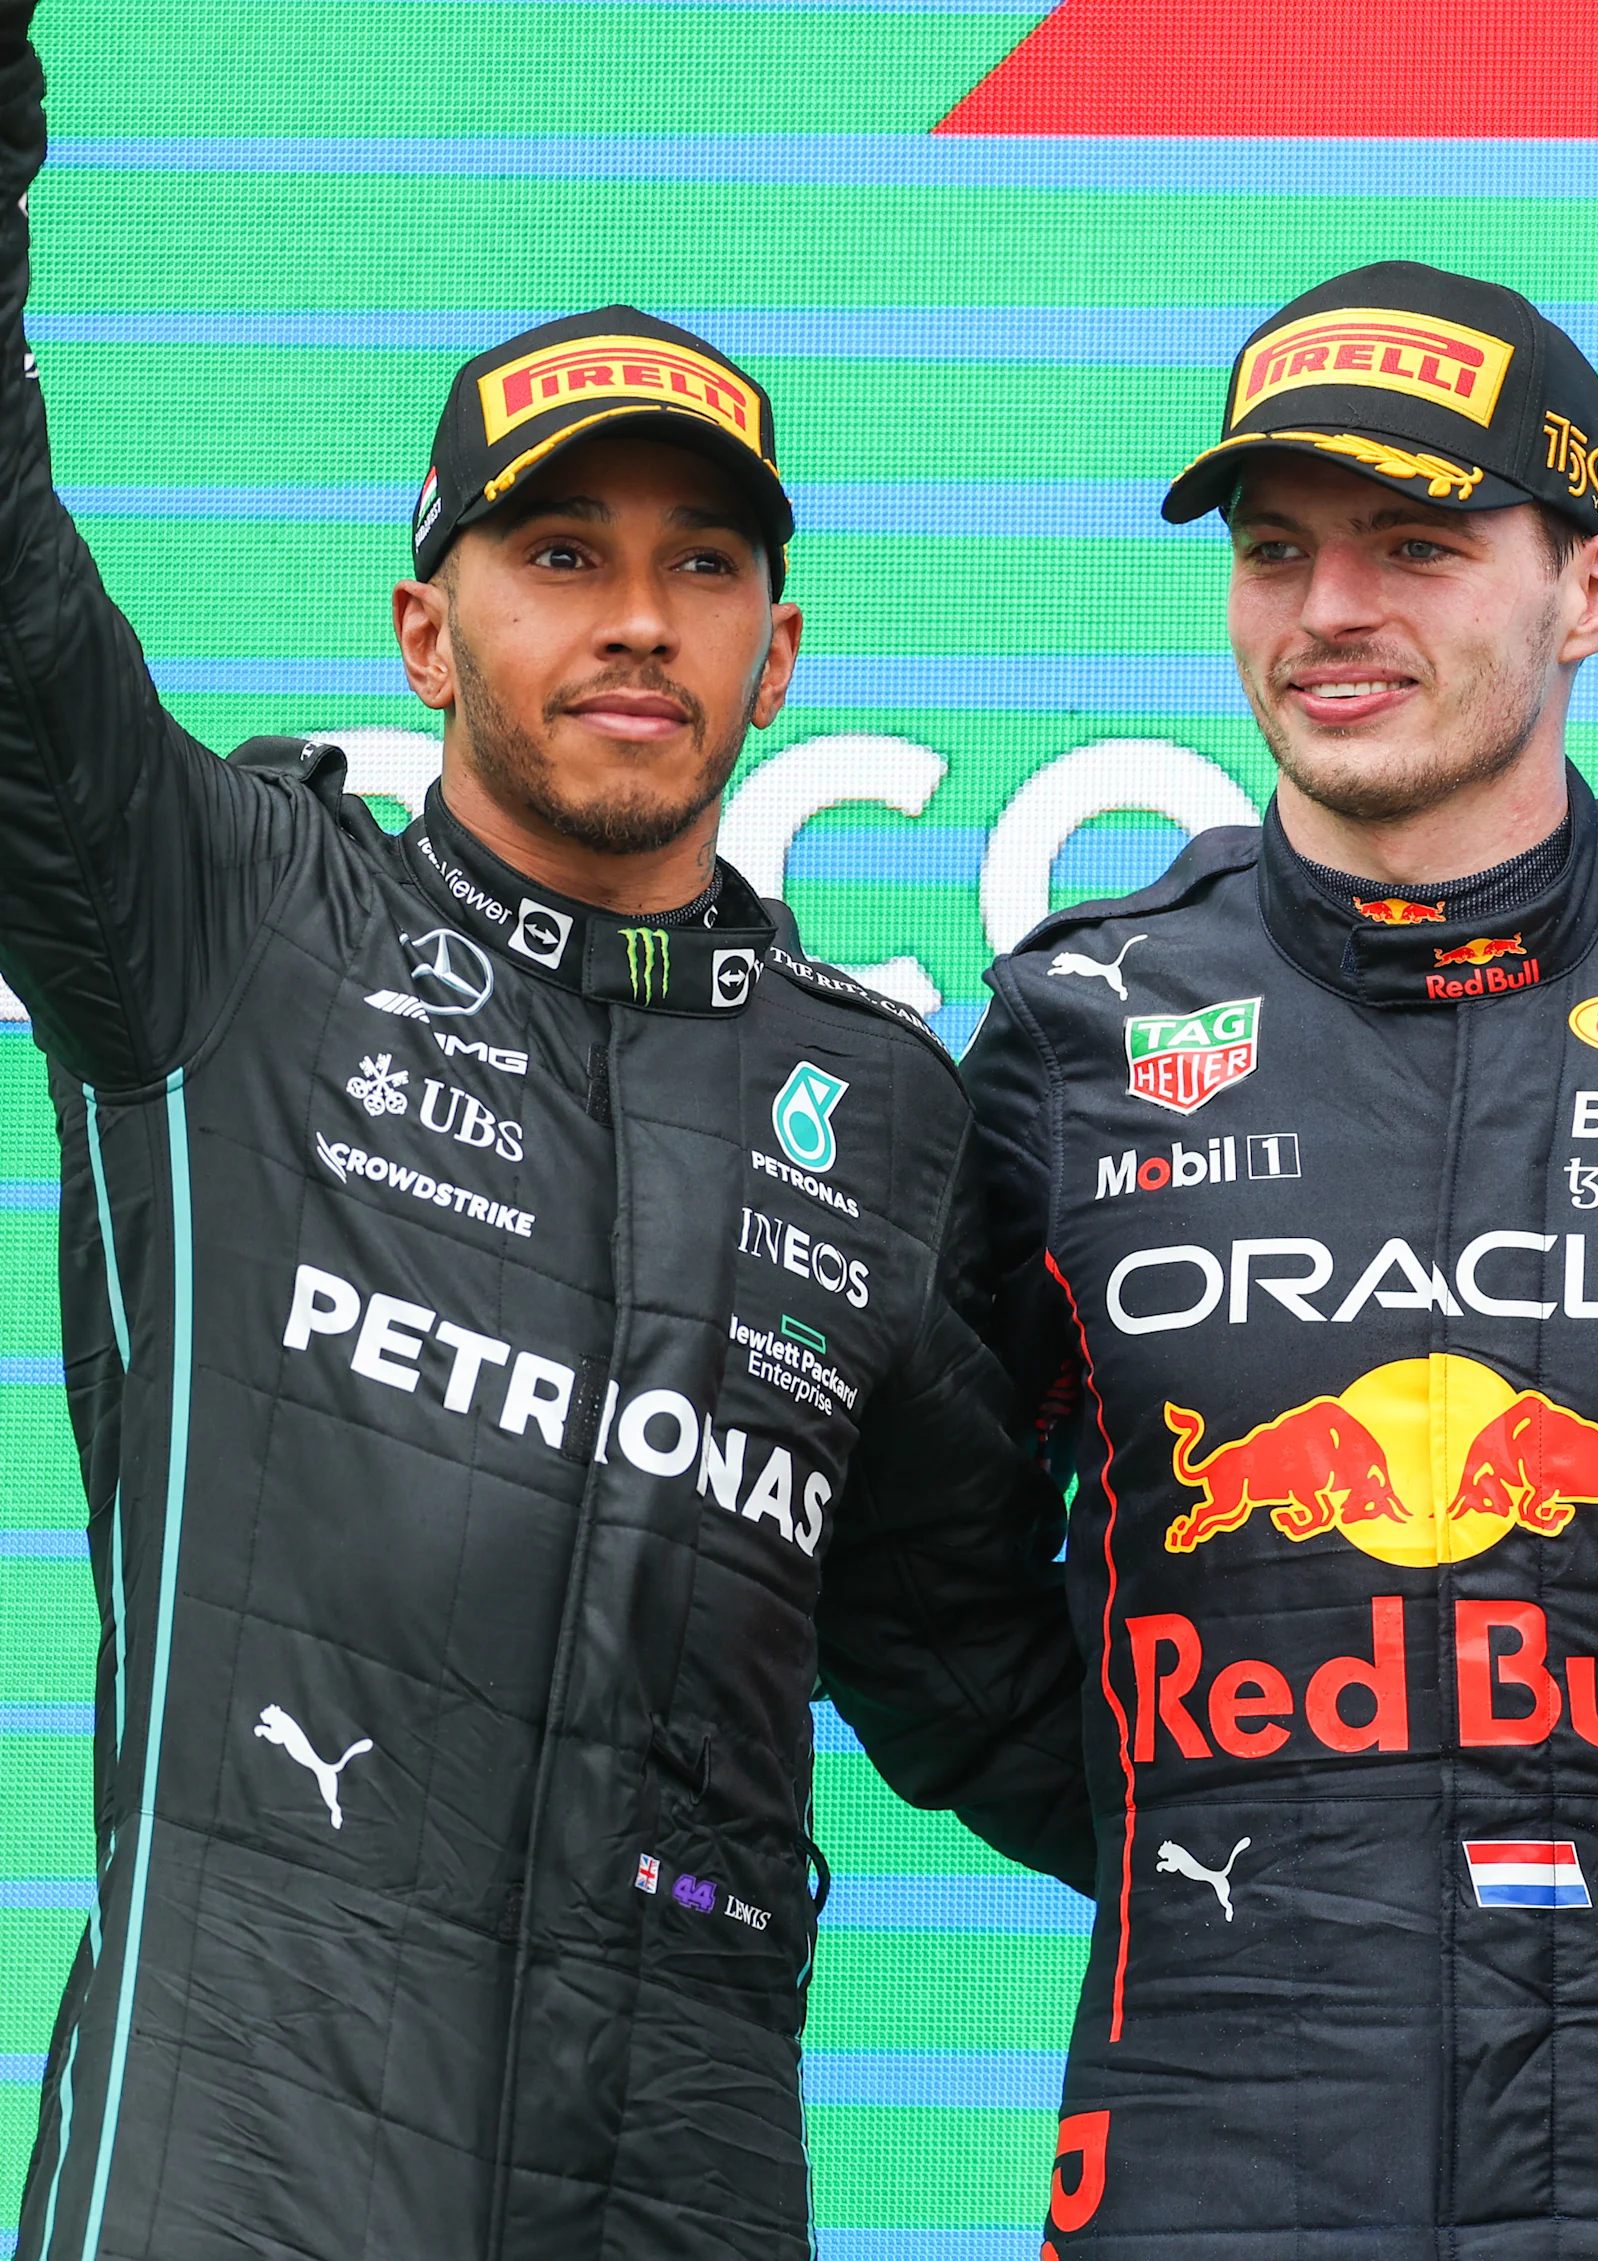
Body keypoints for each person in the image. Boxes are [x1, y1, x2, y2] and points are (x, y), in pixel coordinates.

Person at [0, 16, 1090, 2257]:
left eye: (703, 566)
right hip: (245, 2162)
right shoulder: (220, 920)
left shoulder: (874, 1106)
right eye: (559, 551)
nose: (631, 618)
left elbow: (1000, 1681)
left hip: (679, 2168)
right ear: (424, 628)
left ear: (778, 656)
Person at [959, 261, 1598, 2255]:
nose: (1329, 612)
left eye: (1417, 545)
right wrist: (1200, 1826)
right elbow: (914, 1565)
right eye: (1276, 552)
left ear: (1592, 588)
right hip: (1213, 2109)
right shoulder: (1080, 1023)